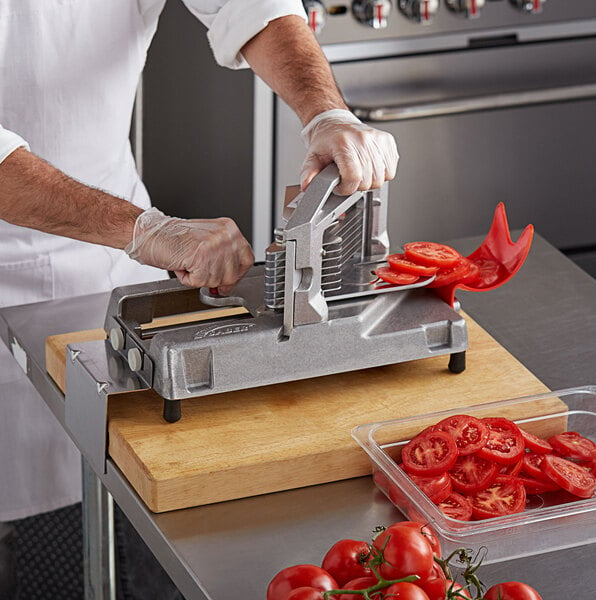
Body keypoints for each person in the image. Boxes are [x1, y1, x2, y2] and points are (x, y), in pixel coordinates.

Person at [0, 0, 399, 597]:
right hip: (119, 231)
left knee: (93, 523)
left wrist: (325, 113)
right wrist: (146, 231)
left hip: (98, 264)